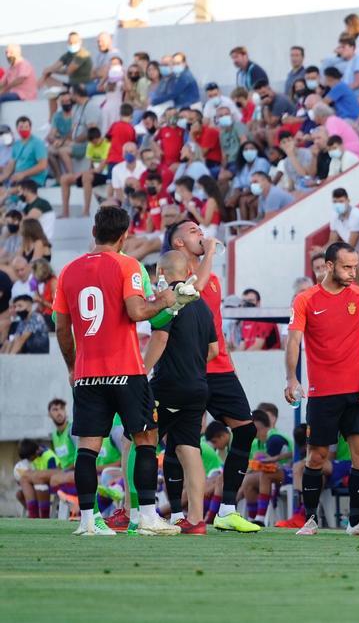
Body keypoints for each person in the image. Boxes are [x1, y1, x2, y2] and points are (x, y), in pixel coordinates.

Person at [52, 207, 186, 536]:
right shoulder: (127, 264)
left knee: (87, 446)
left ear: (94, 232)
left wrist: (72, 366)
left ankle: (87, 521)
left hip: (87, 373)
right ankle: (147, 517)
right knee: (146, 439)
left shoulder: (68, 271)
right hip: (126, 369)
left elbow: (61, 327)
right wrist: (165, 299)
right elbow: (138, 310)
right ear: (124, 236)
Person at [164, 220, 262, 533]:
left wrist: (229, 363)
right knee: (178, 442)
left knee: (245, 431)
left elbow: (216, 325)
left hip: (219, 368)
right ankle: (175, 514)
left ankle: (227, 510)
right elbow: (197, 287)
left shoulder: (213, 277)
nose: (202, 235)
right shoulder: (179, 279)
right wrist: (210, 254)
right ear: (179, 243)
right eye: (193, 231)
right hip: (187, 369)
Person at [286, 242, 359, 537]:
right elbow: (293, 341)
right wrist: (291, 378)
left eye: (355, 266)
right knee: (316, 456)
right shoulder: (306, 300)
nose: (353, 272)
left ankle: (357, 522)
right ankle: (311, 518)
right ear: (329, 266)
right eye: (347, 267)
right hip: (322, 392)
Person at [141, 250, 219, 533]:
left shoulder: (168, 301)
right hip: (198, 386)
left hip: (167, 385)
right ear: (187, 272)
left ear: (161, 275)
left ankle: (139, 511)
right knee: (190, 449)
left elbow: (159, 339)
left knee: (138, 440)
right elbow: (214, 350)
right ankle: (196, 520)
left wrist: (140, 372)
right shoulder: (202, 305)